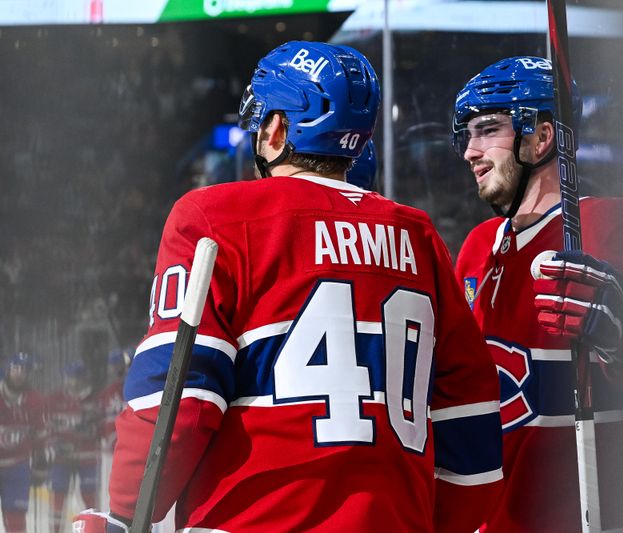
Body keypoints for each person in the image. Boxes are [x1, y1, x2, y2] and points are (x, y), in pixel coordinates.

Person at [74, 40, 502, 533]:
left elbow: (177, 400)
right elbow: (470, 417)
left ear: (276, 128)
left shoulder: (214, 217)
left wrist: (125, 512)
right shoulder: (418, 235)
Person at [451, 56, 623, 532]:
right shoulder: (479, 249)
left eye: (488, 129)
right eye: (466, 135)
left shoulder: (618, 226)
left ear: (542, 136)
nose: (470, 151)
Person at [45, 359, 102, 533]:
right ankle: (55, 530)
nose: (71, 381)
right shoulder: (54, 399)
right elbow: (47, 427)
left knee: (90, 496)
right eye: (69, 377)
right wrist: (54, 445)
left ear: (83, 378)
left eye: (75, 377)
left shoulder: (94, 400)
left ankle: (96, 529)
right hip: (61, 459)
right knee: (58, 497)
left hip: (87, 457)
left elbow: (97, 429)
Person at [0, 352, 45, 533]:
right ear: (7, 370)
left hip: (18, 467)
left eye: (23, 370)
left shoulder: (34, 400)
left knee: (16, 521)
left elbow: (40, 435)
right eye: (15, 369)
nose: (19, 374)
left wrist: (41, 465)